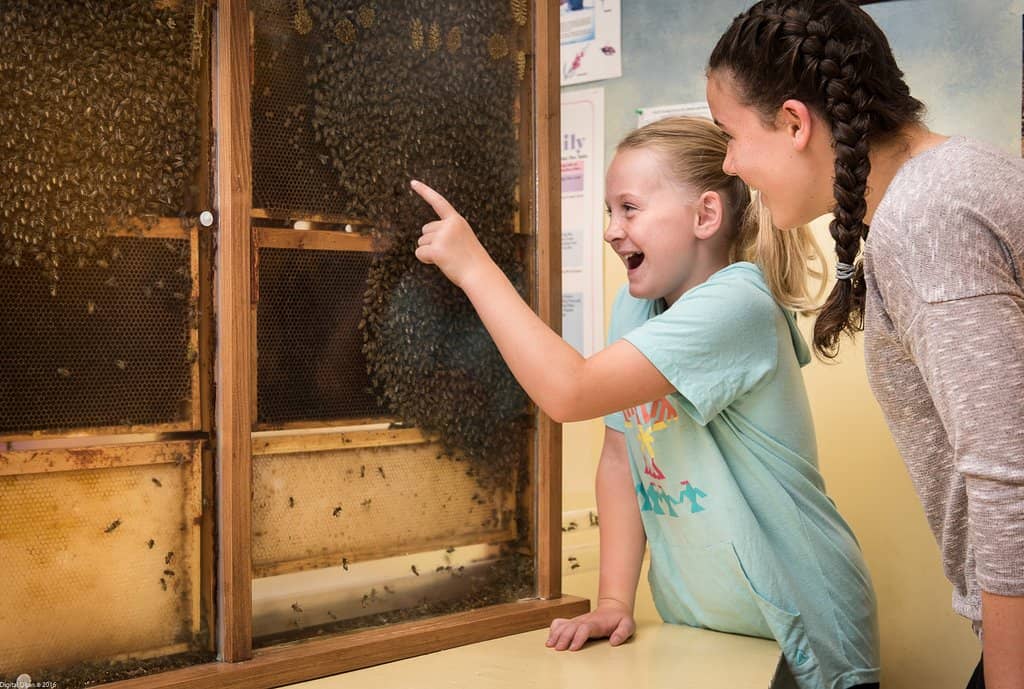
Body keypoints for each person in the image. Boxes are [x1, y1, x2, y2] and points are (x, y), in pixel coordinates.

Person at [412, 115, 880, 689]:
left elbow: (570, 391)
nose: (612, 229)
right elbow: (620, 455)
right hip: (705, 630)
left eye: (629, 209)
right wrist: (614, 597)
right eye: (610, 211)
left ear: (705, 215)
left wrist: (474, 267)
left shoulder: (738, 304)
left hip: (804, 632)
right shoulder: (636, 305)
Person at [705, 2, 1024, 688]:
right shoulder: (955, 178)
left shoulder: (927, 219)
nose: (729, 162)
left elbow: (1011, 484)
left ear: (794, 123)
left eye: (729, 134)